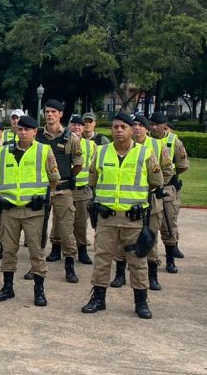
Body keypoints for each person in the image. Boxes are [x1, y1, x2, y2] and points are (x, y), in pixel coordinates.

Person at [82, 111, 165, 319]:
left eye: (124, 127)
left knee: (138, 260)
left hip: (134, 218)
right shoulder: (101, 152)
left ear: (131, 130)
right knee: (102, 259)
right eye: (115, 127)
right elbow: (92, 180)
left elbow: (156, 181)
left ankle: (141, 302)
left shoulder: (145, 153)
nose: (119, 130)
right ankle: (98, 298)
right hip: (107, 217)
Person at [0, 115, 60, 304]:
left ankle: (39, 290)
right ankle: (7, 287)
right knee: (8, 250)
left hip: (33, 211)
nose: (22, 132)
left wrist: (44, 198)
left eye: (26, 129)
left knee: (36, 251)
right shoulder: (3, 152)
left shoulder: (44, 151)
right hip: (9, 210)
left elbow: (54, 179)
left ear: (34, 132)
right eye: (19, 129)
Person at [37, 99, 84, 284]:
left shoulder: (71, 138)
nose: (50, 115)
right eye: (47, 111)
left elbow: (78, 164)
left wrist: (66, 178)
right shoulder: (37, 136)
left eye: (54, 112)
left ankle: (70, 267)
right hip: (40, 189)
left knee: (66, 230)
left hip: (62, 190)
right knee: (37, 230)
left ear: (61, 114)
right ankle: (37, 267)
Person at [148, 111, 191, 270]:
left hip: (167, 189)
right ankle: (149, 259)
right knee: (149, 226)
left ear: (164, 126)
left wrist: (170, 177)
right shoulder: (145, 141)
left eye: (156, 125)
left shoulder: (174, 142)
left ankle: (170, 260)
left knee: (168, 225)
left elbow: (182, 165)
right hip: (150, 190)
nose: (153, 128)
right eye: (151, 124)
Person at [63, 115, 96, 265]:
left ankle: (82, 250)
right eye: (73, 125)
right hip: (65, 189)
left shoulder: (91, 145)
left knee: (81, 223)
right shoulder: (62, 142)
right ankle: (57, 248)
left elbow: (95, 168)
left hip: (82, 190)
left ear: (84, 128)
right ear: (69, 127)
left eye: (79, 125)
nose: (76, 127)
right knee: (61, 222)